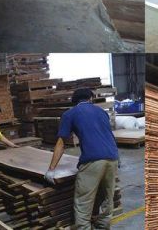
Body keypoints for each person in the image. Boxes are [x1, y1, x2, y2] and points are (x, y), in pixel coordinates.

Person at [45, 88, 119, 230]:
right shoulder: (102, 112)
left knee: (83, 203)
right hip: (113, 158)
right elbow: (108, 135)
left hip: (92, 161)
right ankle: (103, 227)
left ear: (75, 100)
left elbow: (61, 143)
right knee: (106, 198)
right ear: (90, 98)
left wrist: (51, 169)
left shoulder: (70, 114)